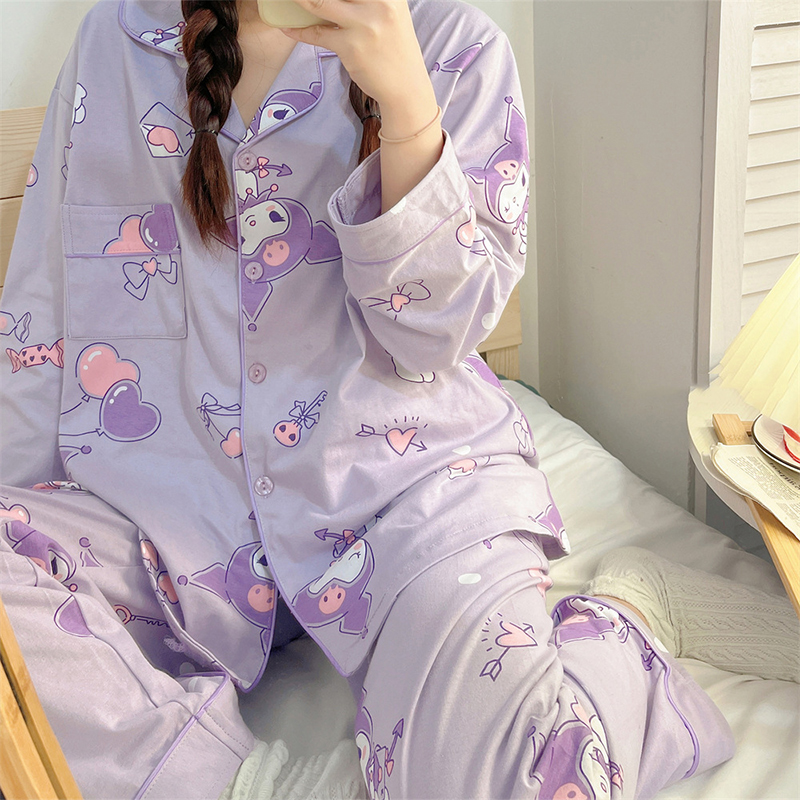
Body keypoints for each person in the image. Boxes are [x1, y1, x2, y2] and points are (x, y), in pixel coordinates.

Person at [1, 0, 796, 797]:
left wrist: (410, 113)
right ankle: (254, 785)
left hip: (403, 498)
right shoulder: (115, 43)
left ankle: (630, 613)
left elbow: (435, 338)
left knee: (532, 781)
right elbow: (40, 323)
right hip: (169, 527)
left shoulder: (455, 49)